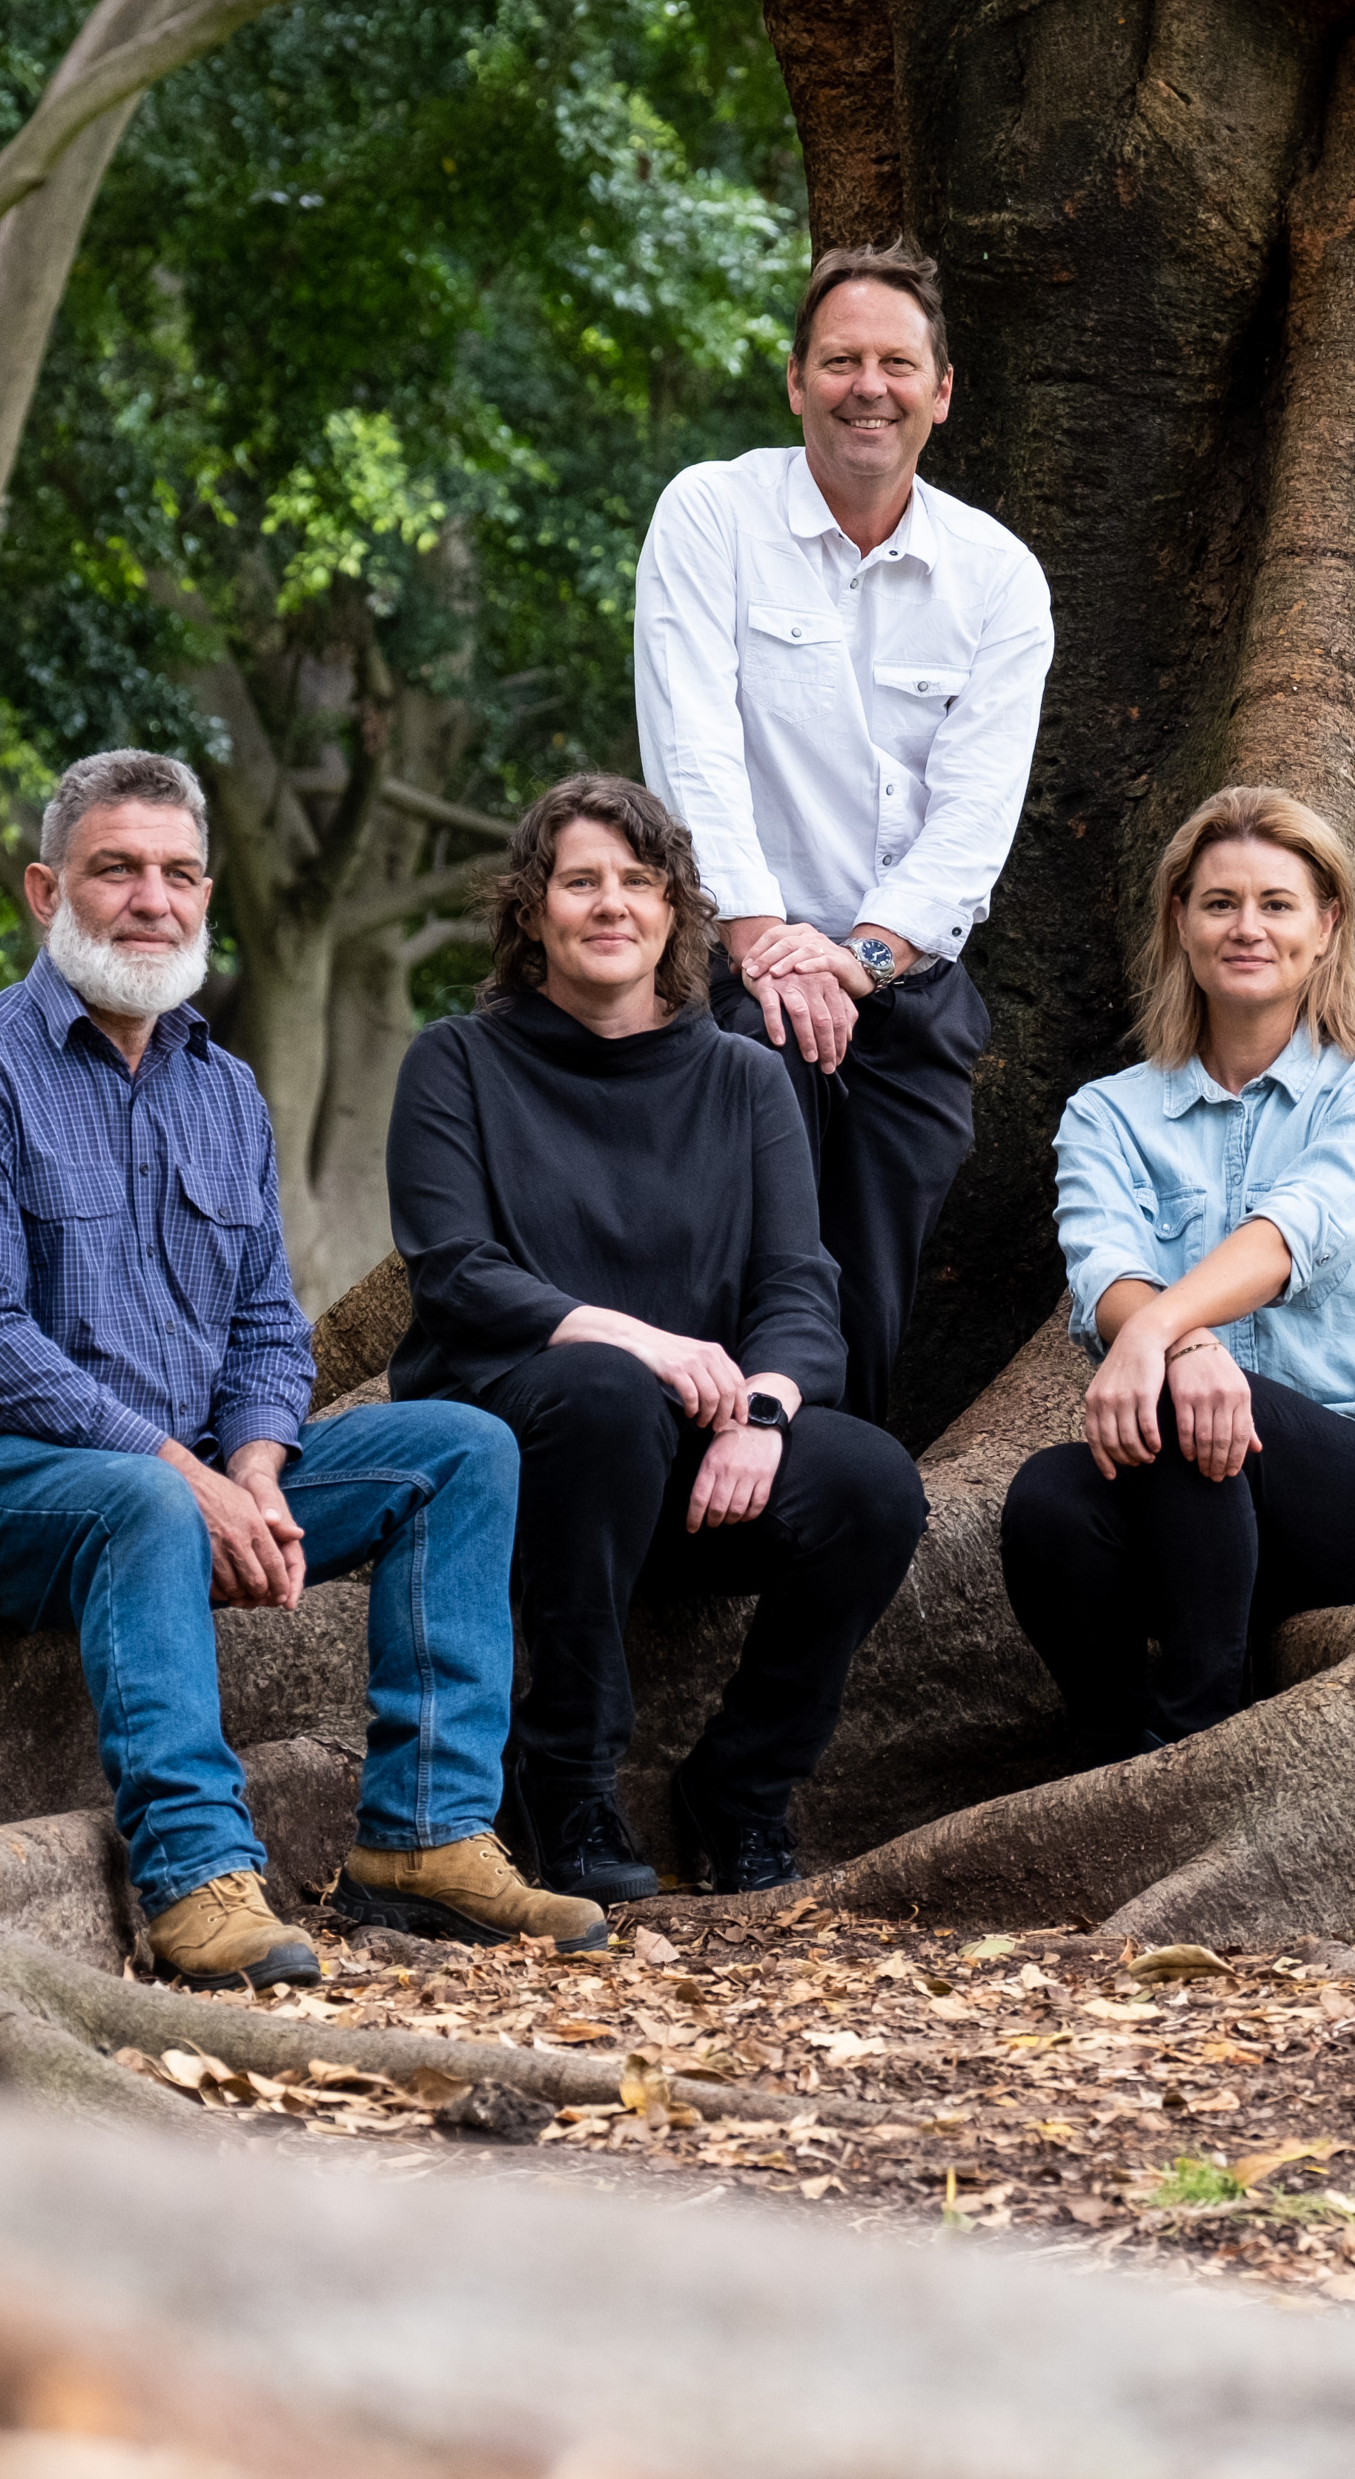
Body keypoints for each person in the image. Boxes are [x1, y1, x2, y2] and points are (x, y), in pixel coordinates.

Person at [0, 750, 605, 1991]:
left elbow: (265, 1325)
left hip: (183, 1479)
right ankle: (197, 1874)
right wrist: (180, 1474)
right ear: (46, 893)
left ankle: (424, 1837)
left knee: (460, 1447)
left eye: (180, 873)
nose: (154, 898)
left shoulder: (226, 1090)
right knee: (142, 1497)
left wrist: (253, 1465)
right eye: (116, 870)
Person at [384, 773, 929, 1906]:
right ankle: (564, 1777)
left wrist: (768, 1415)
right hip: (520, 1451)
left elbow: (796, 1283)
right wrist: (643, 1343)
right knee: (602, 1391)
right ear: (531, 911)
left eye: (638, 882)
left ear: (677, 912)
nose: (610, 905)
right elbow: (455, 1271)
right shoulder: (457, 1063)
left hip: (692, 1457)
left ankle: (742, 1788)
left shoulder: (743, 1077)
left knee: (873, 1483)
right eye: (579, 881)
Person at [633, 241, 1054, 1427]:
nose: (867, 385)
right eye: (839, 361)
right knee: (735, 1257)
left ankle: (830, 1497)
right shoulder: (709, 513)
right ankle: (698, 1483)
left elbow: (976, 819)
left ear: (941, 390)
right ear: (794, 380)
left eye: (894, 363)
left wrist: (857, 959)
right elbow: (691, 754)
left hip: (898, 981)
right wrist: (769, 946)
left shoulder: (999, 578)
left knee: (865, 1290)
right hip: (727, 963)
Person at [998, 787, 1355, 1760]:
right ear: (1181, 921)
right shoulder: (1106, 1114)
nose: (1246, 927)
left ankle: (1199, 1746)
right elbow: (1102, 1267)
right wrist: (1187, 1341)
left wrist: (1159, 1337)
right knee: (1045, 1500)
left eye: (1277, 903)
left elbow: (1291, 1235)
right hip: (1192, 1503)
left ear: (1327, 925)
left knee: (1185, 1400)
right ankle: (1121, 1764)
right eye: (1219, 903)